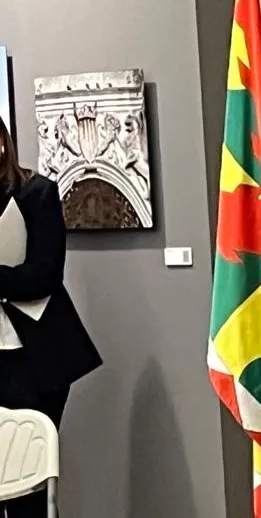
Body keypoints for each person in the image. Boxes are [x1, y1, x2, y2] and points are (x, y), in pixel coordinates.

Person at [0, 115, 102, 518]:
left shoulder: (37, 192)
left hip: (36, 356)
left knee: (26, 482)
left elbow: (45, 274)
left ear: (2, 144)